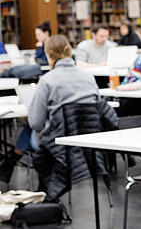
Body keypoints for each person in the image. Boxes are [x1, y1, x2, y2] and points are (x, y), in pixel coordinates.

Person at [0, 34, 104, 183]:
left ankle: (13, 162)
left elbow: (36, 123)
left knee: (33, 126)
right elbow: (98, 108)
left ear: (49, 55)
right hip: (87, 137)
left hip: (57, 141)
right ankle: (11, 162)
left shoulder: (47, 80)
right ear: (69, 51)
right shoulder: (89, 77)